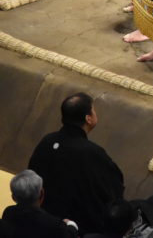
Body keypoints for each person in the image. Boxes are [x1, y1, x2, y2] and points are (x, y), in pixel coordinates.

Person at [27, 93, 124, 235]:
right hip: (76, 227)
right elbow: (115, 187)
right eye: (93, 110)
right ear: (88, 118)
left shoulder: (47, 141)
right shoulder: (92, 152)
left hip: (40, 219)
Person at [1, 170, 77, 237]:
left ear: (13, 197)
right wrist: (70, 224)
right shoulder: (55, 225)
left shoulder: (8, 212)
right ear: (42, 194)